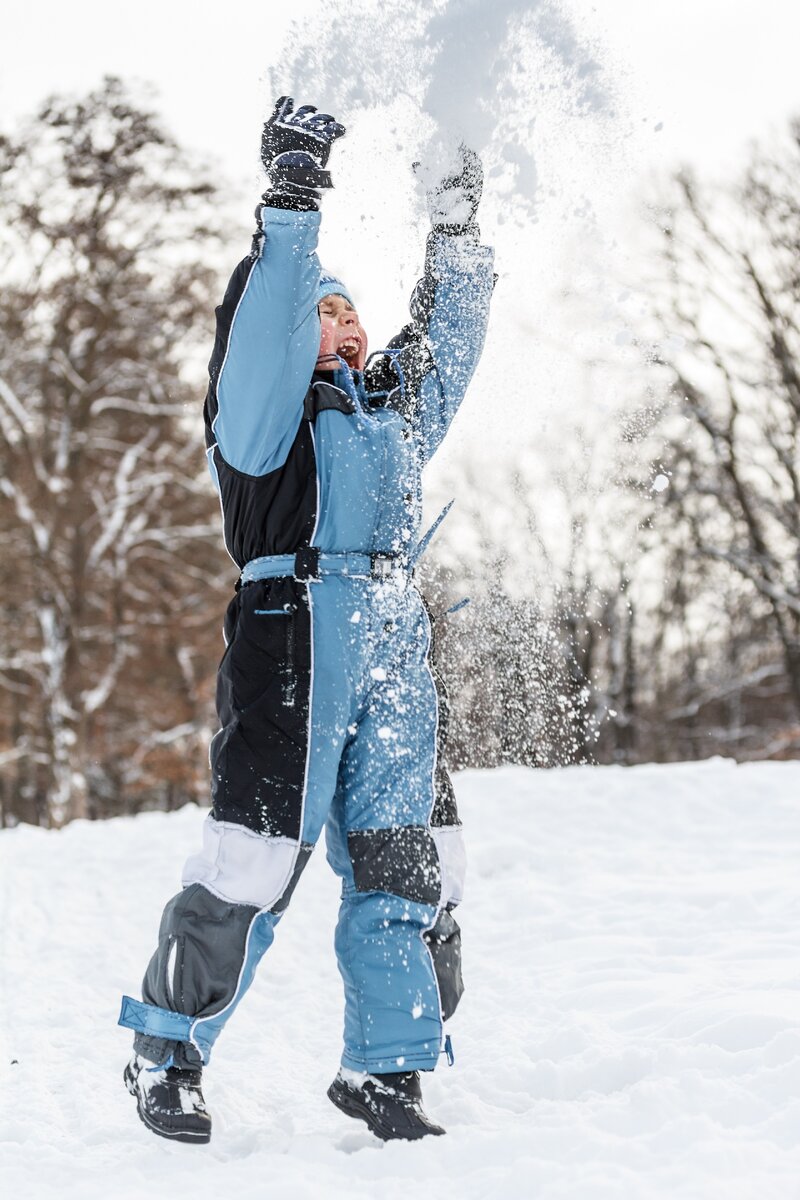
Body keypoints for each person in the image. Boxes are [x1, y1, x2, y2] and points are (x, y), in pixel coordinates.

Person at [119, 96, 494, 1144]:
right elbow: (262, 336)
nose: (350, 325)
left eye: (353, 314)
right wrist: (291, 200)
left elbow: (448, 339)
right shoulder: (258, 428)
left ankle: (386, 1071)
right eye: (328, 312)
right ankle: (167, 1050)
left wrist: (456, 226)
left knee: (402, 855)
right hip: (293, 623)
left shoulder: (391, 412)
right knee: (257, 854)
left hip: (392, 633)